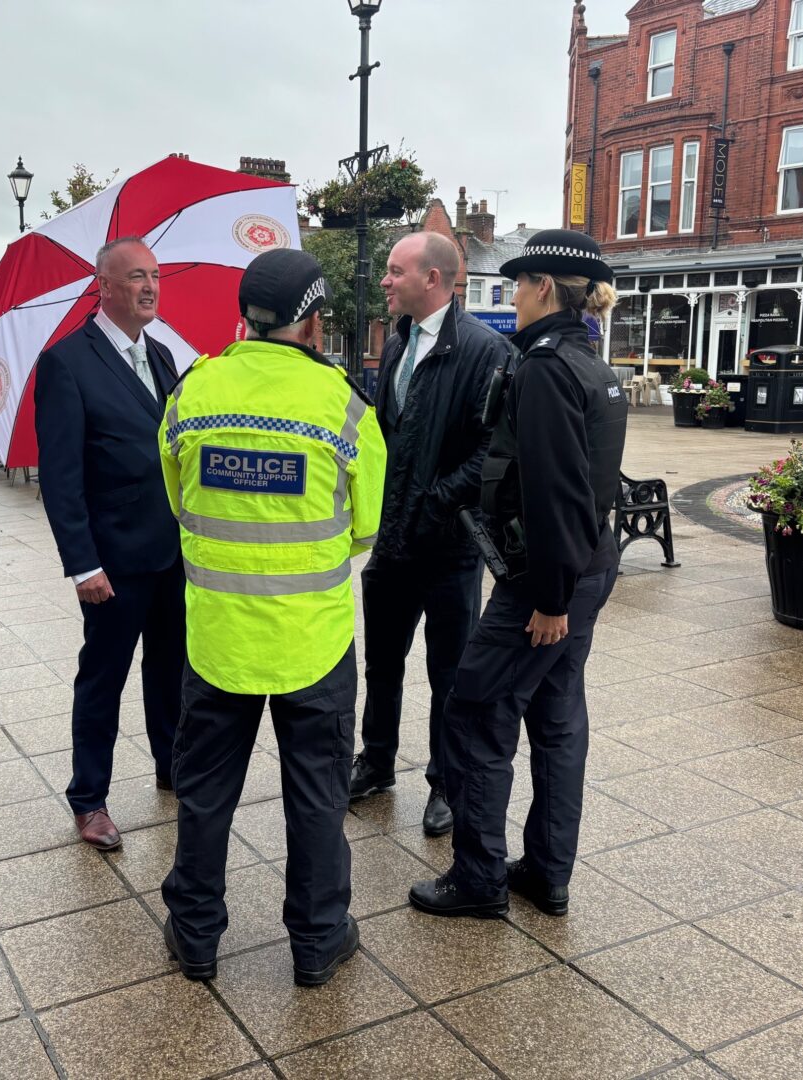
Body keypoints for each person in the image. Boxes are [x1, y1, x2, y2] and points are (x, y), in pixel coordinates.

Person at [159, 248, 386, 987]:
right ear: (315, 322)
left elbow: (177, 499)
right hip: (310, 644)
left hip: (217, 639)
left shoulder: (193, 391)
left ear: (245, 317)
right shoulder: (343, 405)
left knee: (203, 796)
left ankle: (195, 937)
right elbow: (364, 527)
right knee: (317, 798)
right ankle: (318, 941)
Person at [409, 229, 626, 919]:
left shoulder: (544, 370)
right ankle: (547, 871)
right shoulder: (591, 363)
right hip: (587, 566)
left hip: (548, 581)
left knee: (475, 712)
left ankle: (478, 880)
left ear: (540, 287)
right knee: (558, 719)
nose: (511, 296)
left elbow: (556, 490)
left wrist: (548, 597)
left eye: (516, 284)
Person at [348, 232, 515, 837]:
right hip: (394, 543)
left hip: (447, 547)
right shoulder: (397, 344)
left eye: (396, 271)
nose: (385, 281)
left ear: (435, 280)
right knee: (383, 662)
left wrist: (434, 501)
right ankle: (376, 761)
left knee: (450, 672)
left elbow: (493, 450)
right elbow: (391, 436)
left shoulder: (485, 350)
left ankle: (447, 781)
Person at [34, 237, 185, 852]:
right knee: (103, 678)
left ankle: (172, 766)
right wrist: (82, 565)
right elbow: (60, 478)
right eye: (134, 278)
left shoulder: (167, 356)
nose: (149, 287)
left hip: (172, 553)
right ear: (104, 286)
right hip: (113, 562)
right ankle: (89, 798)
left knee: (171, 672)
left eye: (154, 276)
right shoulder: (67, 362)